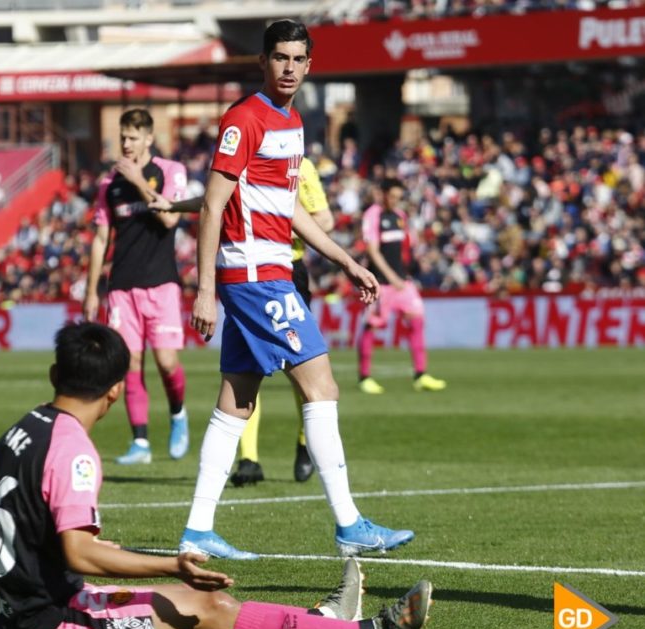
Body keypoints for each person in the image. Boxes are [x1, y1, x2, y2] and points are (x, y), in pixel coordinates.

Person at [0, 321, 433, 629]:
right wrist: (172, 565)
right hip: (48, 623)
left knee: (202, 601)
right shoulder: (73, 450)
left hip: (26, 607)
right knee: (213, 609)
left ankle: (321, 621)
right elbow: (81, 553)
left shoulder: (23, 429)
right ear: (117, 390)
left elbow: (36, 530)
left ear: (55, 375)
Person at [180, 20, 414, 560]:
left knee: (235, 401)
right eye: (279, 57)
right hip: (256, 275)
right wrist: (205, 289)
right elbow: (213, 203)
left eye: (297, 59)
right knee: (322, 385)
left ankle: (197, 530)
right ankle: (350, 522)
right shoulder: (243, 119)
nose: (288, 67)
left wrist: (347, 260)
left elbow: (289, 210)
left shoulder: (293, 122)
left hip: (269, 271)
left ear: (309, 65)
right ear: (263, 61)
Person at [150, 156, 334, 487]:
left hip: (287, 271)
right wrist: (175, 206)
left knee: (304, 370)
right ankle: (249, 459)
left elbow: (325, 219)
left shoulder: (299, 166)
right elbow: (215, 200)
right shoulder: (238, 157)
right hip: (246, 276)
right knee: (247, 371)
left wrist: (272, 225)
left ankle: (305, 444)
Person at [83, 109, 190, 465]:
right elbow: (101, 239)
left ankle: (178, 415)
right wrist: (90, 291)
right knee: (129, 363)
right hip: (121, 287)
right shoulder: (108, 185)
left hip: (161, 283)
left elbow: (170, 217)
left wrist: (139, 183)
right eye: (123, 137)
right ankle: (140, 443)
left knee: (166, 361)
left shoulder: (169, 172)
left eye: (132, 137)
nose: (125, 144)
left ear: (148, 138)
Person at [357, 178, 447, 394]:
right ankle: (365, 377)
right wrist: (390, 276)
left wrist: (412, 268)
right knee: (372, 325)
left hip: (402, 282)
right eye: (393, 196)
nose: (396, 201)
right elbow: (372, 250)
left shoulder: (400, 216)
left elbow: (406, 248)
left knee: (417, 320)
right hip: (381, 283)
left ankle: (420, 374)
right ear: (383, 193)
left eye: (399, 197)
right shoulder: (373, 215)